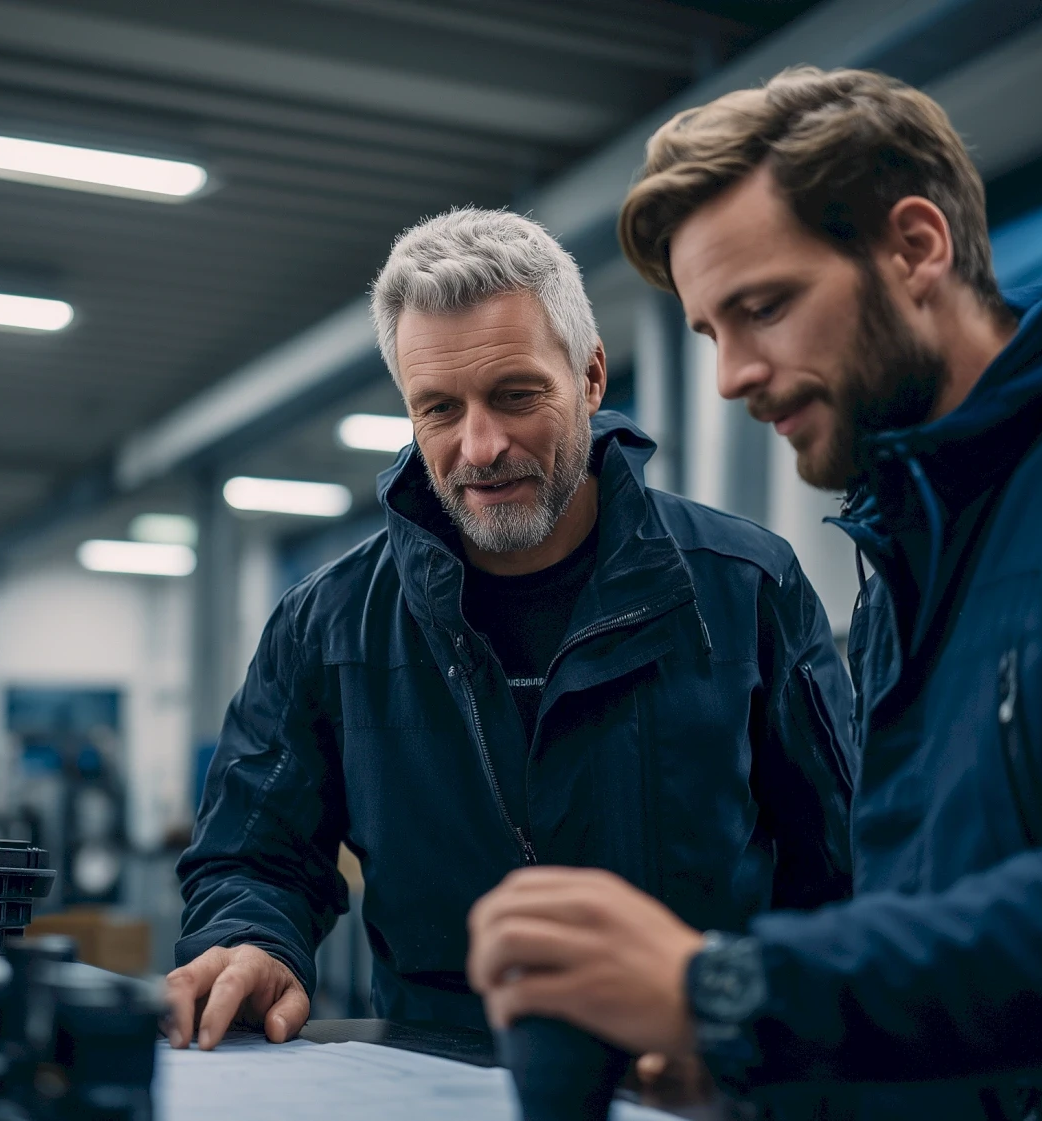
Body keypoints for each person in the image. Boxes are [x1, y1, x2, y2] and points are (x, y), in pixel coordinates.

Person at [468, 67, 1042, 1119]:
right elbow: (954, 968)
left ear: (915, 247)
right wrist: (759, 1070)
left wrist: (730, 993)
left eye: (762, 307)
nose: (730, 374)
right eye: (708, 333)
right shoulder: (904, 564)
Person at [168, 207, 855, 1051]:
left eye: (515, 395)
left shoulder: (745, 589)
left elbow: (846, 870)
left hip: (695, 1078)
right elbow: (255, 857)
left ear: (592, 376)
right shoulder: (330, 624)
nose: (480, 446)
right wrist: (251, 940)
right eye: (438, 410)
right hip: (432, 1081)